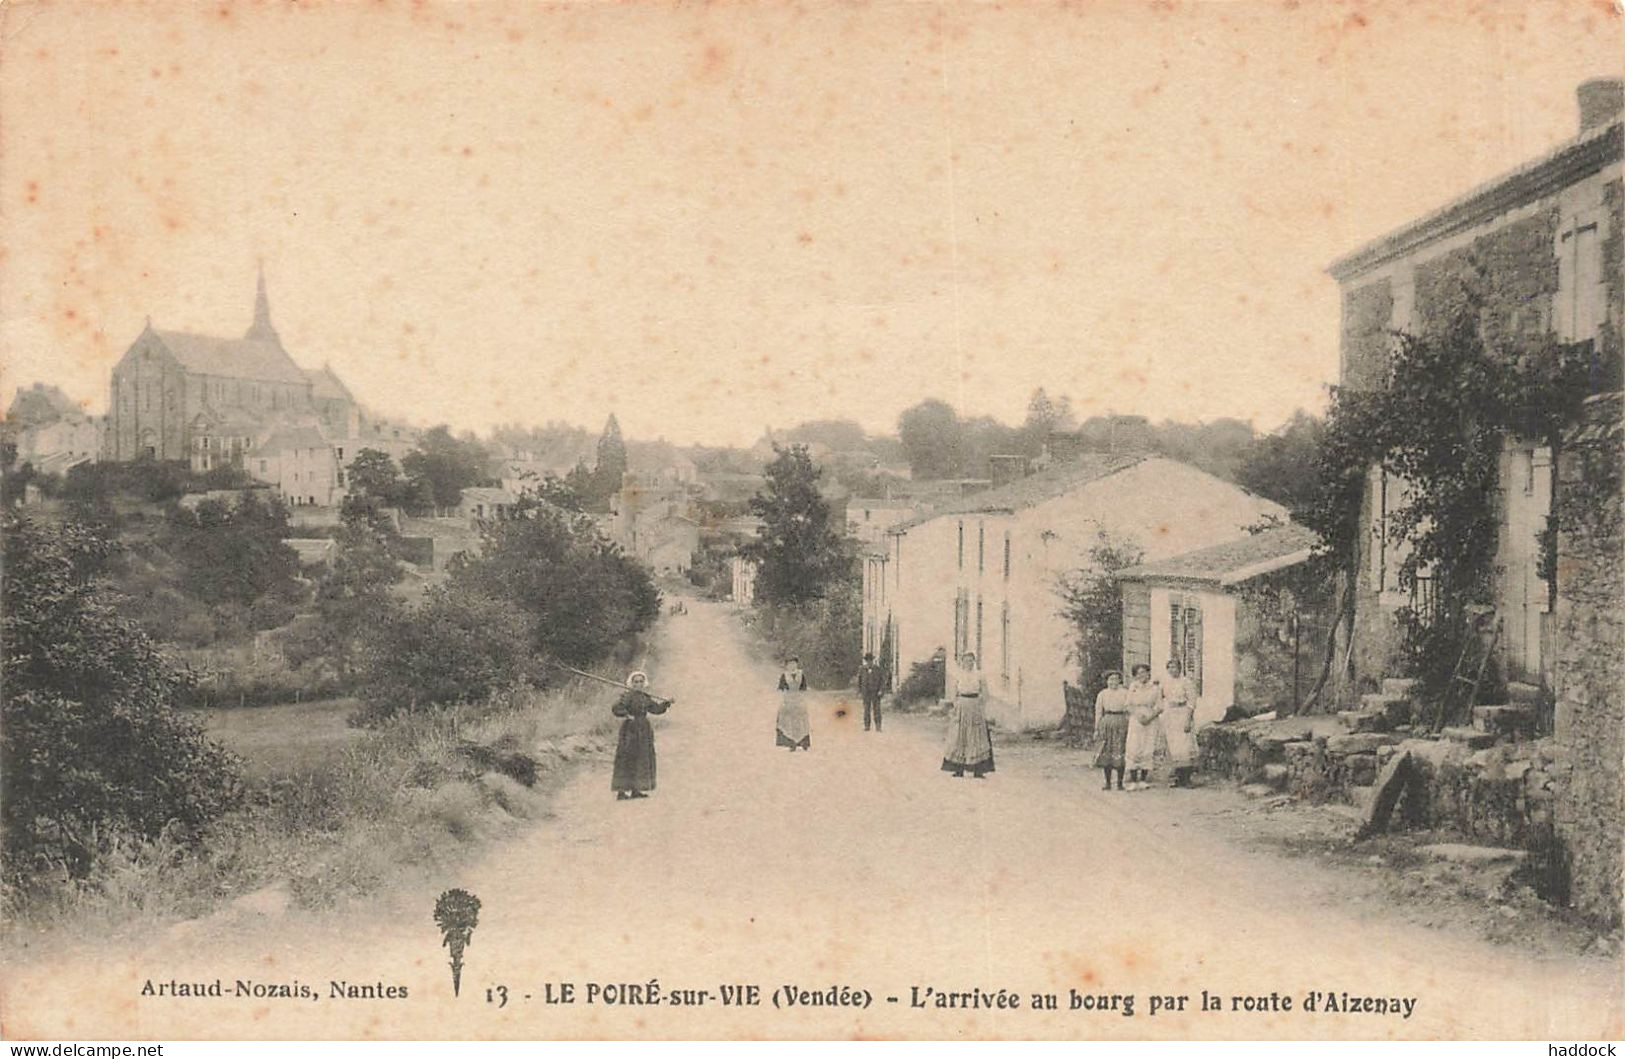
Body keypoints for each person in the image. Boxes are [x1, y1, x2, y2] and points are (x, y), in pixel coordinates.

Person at [611, 671, 672, 800]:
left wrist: (666, 703)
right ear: (631, 683)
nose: (638, 684)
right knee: (627, 758)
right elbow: (616, 708)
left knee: (641, 758)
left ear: (644, 683)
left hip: (643, 730)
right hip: (630, 730)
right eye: (636, 682)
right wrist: (626, 715)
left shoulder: (645, 697)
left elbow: (655, 709)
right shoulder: (627, 696)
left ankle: (636, 789)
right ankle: (621, 792)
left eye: (640, 682)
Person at [941, 651, 994, 778]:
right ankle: (958, 769)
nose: (969, 663)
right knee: (959, 736)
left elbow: (985, 694)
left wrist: (980, 705)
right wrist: (955, 706)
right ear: (962, 662)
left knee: (976, 736)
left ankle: (978, 770)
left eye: (971, 660)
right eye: (966, 661)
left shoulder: (980, 675)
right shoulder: (958, 675)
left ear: (974, 662)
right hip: (962, 706)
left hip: (975, 706)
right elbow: (954, 693)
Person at [1160, 659, 1199, 788]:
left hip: (1183, 714)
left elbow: (1192, 702)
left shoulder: (1186, 682)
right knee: (1174, 747)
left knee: (1185, 746)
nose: (1172, 670)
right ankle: (1178, 778)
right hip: (1170, 715)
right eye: (1169, 668)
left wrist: (1188, 719)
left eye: (1175, 667)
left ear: (1180, 668)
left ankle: (1187, 778)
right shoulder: (1165, 683)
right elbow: (1160, 697)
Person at [1123, 662, 1161, 790]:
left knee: (1147, 746)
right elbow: (1128, 704)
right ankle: (1133, 780)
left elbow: (1159, 706)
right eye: (1139, 673)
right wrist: (1137, 716)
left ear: (1148, 673)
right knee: (1134, 746)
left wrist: (1150, 717)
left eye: (1144, 672)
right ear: (1135, 675)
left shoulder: (1155, 688)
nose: (1142, 675)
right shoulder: (1133, 687)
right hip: (1136, 719)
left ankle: (1144, 780)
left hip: (1151, 719)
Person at [1092, 670, 1129, 791]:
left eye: (1116, 679)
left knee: (1120, 750)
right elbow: (1098, 712)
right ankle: (1107, 783)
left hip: (1121, 722)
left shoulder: (1125, 693)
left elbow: (1129, 708)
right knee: (1106, 751)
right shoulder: (1102, 694)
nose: (1113, 682)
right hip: (1106, 722)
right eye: (1111, 679)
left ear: (1120, 680)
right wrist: (1097, 729)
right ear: (1107, 681)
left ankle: (1119, 783)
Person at [776, 657, 811, 751]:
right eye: (790, 664)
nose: (792, 666)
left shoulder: (801, 674)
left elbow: (804, 687)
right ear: (787, 665)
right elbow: (781, 687)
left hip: (799, 699)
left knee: (801, 721)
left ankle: (804, 742)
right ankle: (791, 742)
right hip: (788, 699)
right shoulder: (785, 675)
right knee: (788, 721)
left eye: (794, 663)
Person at [857, 651, 886, 732]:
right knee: (866, 710)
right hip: (866, 693)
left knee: (877, 710)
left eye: (870, 660)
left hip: (876, 692)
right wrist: (859, 691)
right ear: (866, 661)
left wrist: (881, 690)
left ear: (872, 661)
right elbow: (859, 681)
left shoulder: (878, 669)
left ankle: (878, 726)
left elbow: (882, 681)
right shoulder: (862, 669)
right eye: (867, 660)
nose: (869, 662)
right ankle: (867, 726)